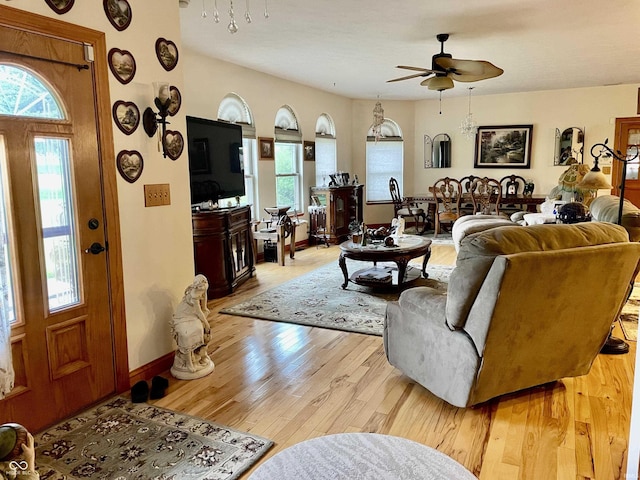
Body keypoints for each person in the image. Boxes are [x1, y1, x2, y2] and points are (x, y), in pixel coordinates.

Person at [170, 275, 215, 379]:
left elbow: (203, 305)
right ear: (197, 287)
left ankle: (201, 354)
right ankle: (189, 362)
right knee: (187, 334)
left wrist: (205, 311)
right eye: (201, 288)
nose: (203, 290)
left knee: (201, 329)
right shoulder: (194, 294)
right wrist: (206, 323)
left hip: (193, 315)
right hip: (183, 316)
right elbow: (198, 311)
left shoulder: (204, 287)